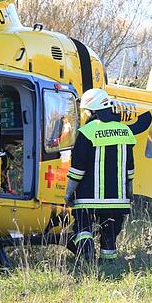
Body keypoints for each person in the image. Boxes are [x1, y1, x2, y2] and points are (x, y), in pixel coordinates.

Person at [64, 88, 137, 261]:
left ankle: (87, 255)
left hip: (88, 198)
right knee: (110, 236)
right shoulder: (125, 132)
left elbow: (78, 168)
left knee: (83, 228)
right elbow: (130, 168)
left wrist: (68, 193)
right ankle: (108, 264)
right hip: (118, 199)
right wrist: (129, 191)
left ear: (91, 111)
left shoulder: (87, 132)